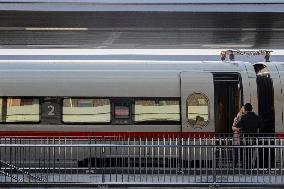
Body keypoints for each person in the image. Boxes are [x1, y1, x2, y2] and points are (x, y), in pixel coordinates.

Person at [235, 103, 263, 169]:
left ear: (245, 109)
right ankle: (252, 165)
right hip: (254, 138)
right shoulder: (257, 117)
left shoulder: (243, 117)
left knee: (246, 153)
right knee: (253, 152)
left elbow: (237, 126)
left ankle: (247, 166)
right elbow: (262, 126)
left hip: (245, 138)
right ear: (252, 109)